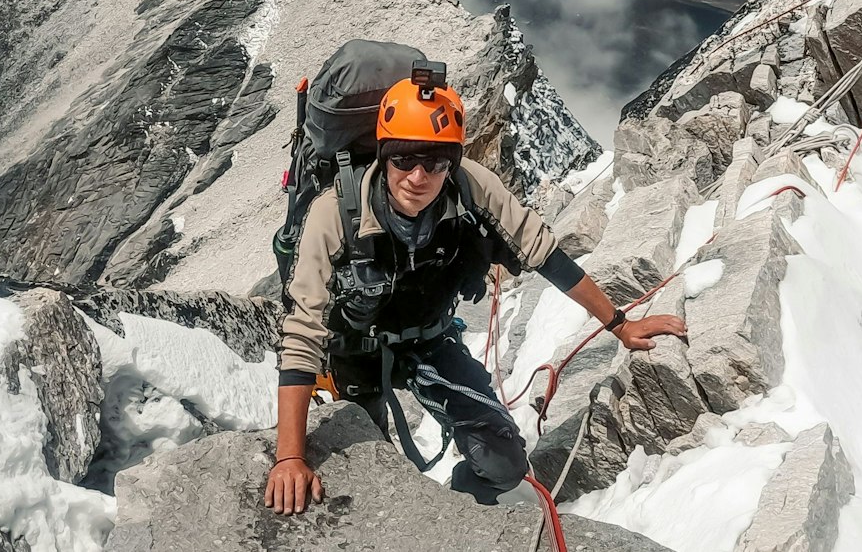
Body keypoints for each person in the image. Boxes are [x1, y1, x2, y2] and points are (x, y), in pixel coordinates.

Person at [262, 71, 686, 514]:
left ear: (452, 163)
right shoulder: (336, 212)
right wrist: (289, 457)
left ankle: (461, 509)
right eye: (403, 159)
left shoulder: (472, 187)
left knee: (503, 464)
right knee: (367, 481)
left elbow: (544, 254)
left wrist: (620, 324)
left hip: (430, 341)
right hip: (353, 352)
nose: (417, 176)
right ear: (383, 157)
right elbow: (302, 331)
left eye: (435, 161)